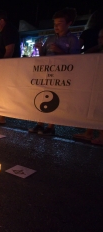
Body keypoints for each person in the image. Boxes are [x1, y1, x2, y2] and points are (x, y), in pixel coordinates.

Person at [28, 7, 81, 136]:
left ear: (68, 23)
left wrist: (60, 51)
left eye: (59, 23)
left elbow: (77, 60)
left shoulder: (73, 40)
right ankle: (39, 123)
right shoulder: (50, 38)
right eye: (54, 24)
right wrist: (40, 49)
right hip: (46, 73)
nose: (56, 26)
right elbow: (43, 57)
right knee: (42, 96)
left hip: (61, 75)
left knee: (55, 99)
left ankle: (51, 126)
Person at [0, 10, 20, 124]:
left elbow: (9, 50)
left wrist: (1, 67)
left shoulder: (8, 31)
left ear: (1, 21)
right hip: (5, 67)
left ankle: (1, 117)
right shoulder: (5, 32)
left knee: (3, 92)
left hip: (6, 68)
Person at [73, 28, 103, 145]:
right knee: (92, 104)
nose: (100, 40)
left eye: (102, 38)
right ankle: (89, 131)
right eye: (99, 37)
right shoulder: (97, 50)